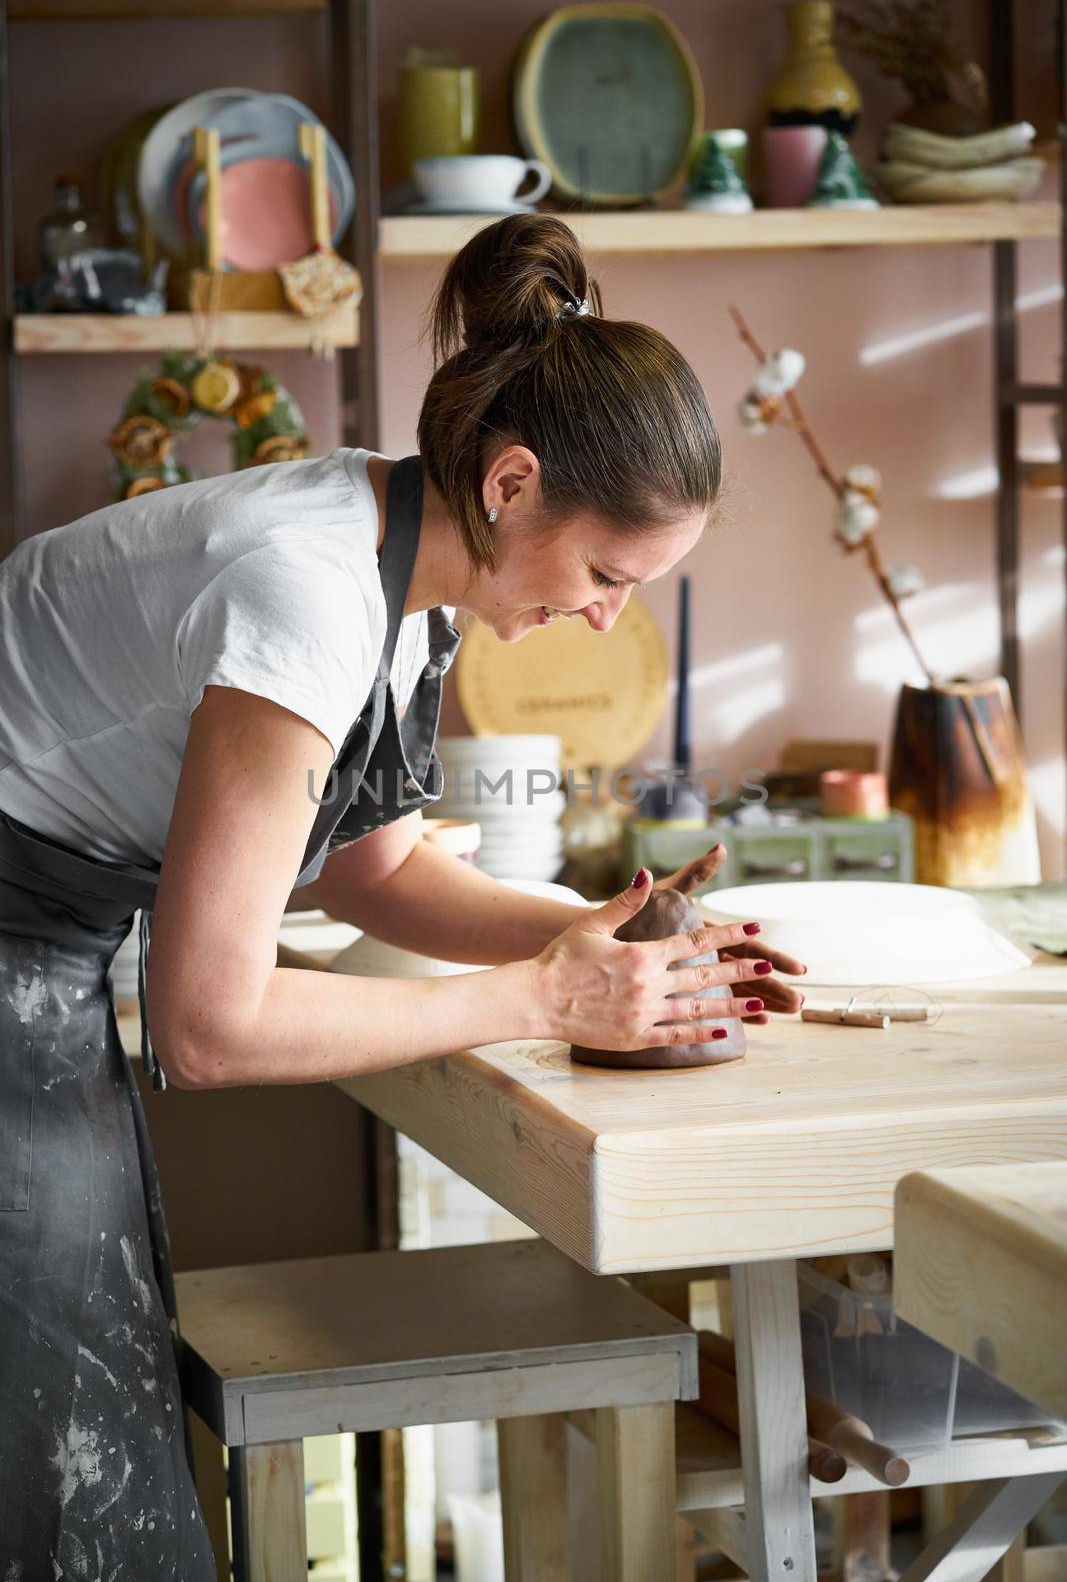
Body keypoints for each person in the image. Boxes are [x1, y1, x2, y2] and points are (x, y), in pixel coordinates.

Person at [0, 213, 803, 1572]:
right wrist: (543, 996)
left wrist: (614, 942)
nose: (611, 620)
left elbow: (373, 873)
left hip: (53, 925)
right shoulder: (310, 595)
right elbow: (210, 1026)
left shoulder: (413, 578)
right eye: (608, 577)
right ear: (511, 483)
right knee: (66, 1461)